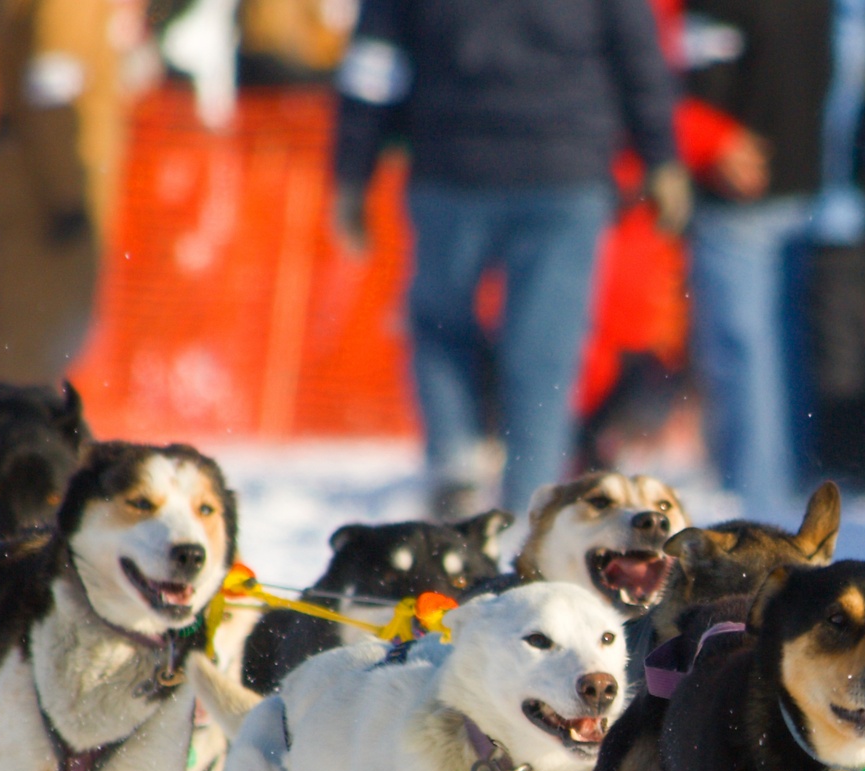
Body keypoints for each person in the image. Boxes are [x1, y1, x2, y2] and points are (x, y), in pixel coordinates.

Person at [332, 0, 688, 516]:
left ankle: (455, 463)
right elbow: (639, 52)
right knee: (544, 351)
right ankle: (533, 501)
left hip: (452, 165)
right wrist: (662, 155)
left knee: (439, 323)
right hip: (564, 169)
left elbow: (373, 65)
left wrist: (352, 168)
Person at [682, 0, 834, 520]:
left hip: (741, 186)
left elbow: (703, 84)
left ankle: (754, 496)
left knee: (742, 347)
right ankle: (785, 481)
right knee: (779, 342)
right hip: (799, 178)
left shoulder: (718, 7)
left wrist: (709, 143)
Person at [0, 0, 147, 386]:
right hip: (46, 206)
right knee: (21, 379)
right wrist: (67, 199)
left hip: (36, 192)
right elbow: (50, 90)